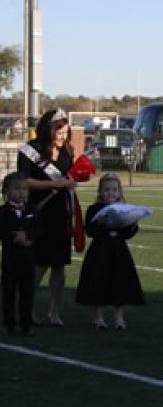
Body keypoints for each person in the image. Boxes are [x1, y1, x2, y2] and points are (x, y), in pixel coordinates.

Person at [17, 108, 77, 326]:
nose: (63, 136)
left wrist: (71, 182)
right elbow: (23, 181)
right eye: (59, 132)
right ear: (48, 129)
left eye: (65, 132)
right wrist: (54, 183)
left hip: (61, 214)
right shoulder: (29, 151)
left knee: (59, 265)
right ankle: (27, 307)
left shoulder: (67, 152)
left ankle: (54, 312)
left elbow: (68, 179)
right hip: (37, 212)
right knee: (39, 264)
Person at [75, 173, 144, 330]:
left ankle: (119, 318)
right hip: (100, 251)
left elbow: (127, 234)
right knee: (99, 282)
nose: (110, 193)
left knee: (120, 282)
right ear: (100, 191)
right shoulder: (94, 209)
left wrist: (132, 223)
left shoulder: (124, 209)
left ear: (119, 192)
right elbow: (90, 231)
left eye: (114, 190)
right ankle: (98, 317)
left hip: (119, 251)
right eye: (106, 190)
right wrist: (100, 223)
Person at [0, 172, 36, 335]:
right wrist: (14, 237)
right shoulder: (3, 211)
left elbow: (39, 228)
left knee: (27, 292)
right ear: (7, 191)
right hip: (10, 258)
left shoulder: (32, 209)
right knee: (8, 292)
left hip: (28, 259)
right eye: (17, 188)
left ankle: (26, 324)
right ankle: (9, 323)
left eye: (25, 189)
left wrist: (28, 236)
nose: (22, 192)